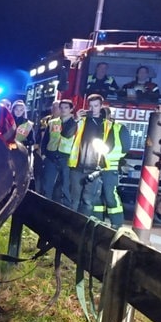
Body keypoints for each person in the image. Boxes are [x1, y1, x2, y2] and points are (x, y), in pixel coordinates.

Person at [67, 93, 126, 226]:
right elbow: (66, 134)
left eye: (96, 106)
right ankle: (71, 226)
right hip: (77, 166)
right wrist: (75, 119)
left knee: (88, 201)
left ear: (101, 106)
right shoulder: (81, 121)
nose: (93, 109)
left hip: (95, 169)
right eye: (91, 106)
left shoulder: (107, 125)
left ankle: (82, 227)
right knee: (74, 200)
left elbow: (111, 146)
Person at [39, 99, 76, 203]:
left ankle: (66, 212)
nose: (63, 110)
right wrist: (44, 154)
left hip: (66, 158)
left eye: (66, 107)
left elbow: (68, 135)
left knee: (66, 188)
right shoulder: (52, 122)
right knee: (47, 186)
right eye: (61, 107)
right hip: (51, 157)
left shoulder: (76, 123)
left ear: (71, 109)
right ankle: (46, 209)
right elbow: (45, 139)